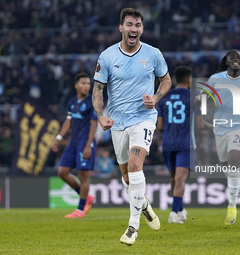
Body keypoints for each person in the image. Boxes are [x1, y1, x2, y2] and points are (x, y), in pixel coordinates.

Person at [92, 8, 171, 246]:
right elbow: (98, 89)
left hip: (143, 118)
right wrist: (99, 115)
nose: (133, 29)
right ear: (121, 28)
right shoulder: (107, 57)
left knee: (136, 165)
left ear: (142, 29)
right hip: (117, 123)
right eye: (129, 24)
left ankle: (132, 227)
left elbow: (166, 80)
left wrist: (156, 98)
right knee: (127, 177)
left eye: (137, 25)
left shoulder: (153, 54)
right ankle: (144, 204)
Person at [204, 50, 240, 227]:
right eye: (232, 58)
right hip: (221, 129)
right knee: (229, 170)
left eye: (239, 58)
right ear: (226, 61)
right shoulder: (215, 79)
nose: (236, 60)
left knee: (234, 163)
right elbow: (207, 98)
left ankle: (231, 207)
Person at [51, 73, 97, 218]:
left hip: (85, 142)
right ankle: (86, 197)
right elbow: (68, 122)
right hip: (73, 142)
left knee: (83, 174)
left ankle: (80, 210)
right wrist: (58, 137)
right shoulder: (72, 101)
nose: (86, 86)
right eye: (83, 83)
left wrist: (88, 145)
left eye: (88, 84)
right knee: (62, 172)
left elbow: (94, 125)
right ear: (76, 85)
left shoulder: (92, 102)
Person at [157, 66, 194, 224]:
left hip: (168, 143)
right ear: (188, 80)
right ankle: (174, 212)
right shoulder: (193, 97)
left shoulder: (164, 97)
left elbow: (159, 126)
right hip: (185, 143)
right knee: (180, 179)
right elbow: (199, 123)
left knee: (175, 178)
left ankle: (180, 209)